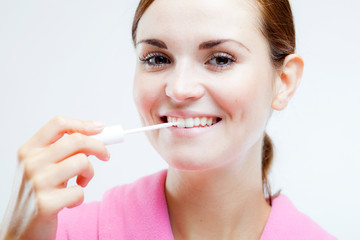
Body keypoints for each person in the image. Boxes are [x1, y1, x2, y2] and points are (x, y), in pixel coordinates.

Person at [0, 0, 337, 239]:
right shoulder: (65, 233)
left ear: (284, 82)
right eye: (158, 58)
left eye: (220, 59)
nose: (179, 89)